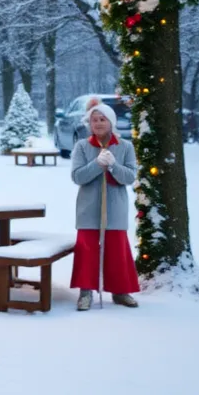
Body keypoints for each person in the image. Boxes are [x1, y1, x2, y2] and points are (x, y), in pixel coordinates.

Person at [70, 99, 140, 311]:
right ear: (89, 123)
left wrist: (113, 166)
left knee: (117, 250)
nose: (98, 123)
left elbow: (129, 177)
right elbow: (77, 176)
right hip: (88, 208)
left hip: (115, 209)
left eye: (102, 119)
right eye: (94, 120)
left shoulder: (125, 147)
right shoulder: (82, 146)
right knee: (87, 249)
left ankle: (120, 291)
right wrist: (96, 164)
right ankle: (85, 290)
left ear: (111, 122)